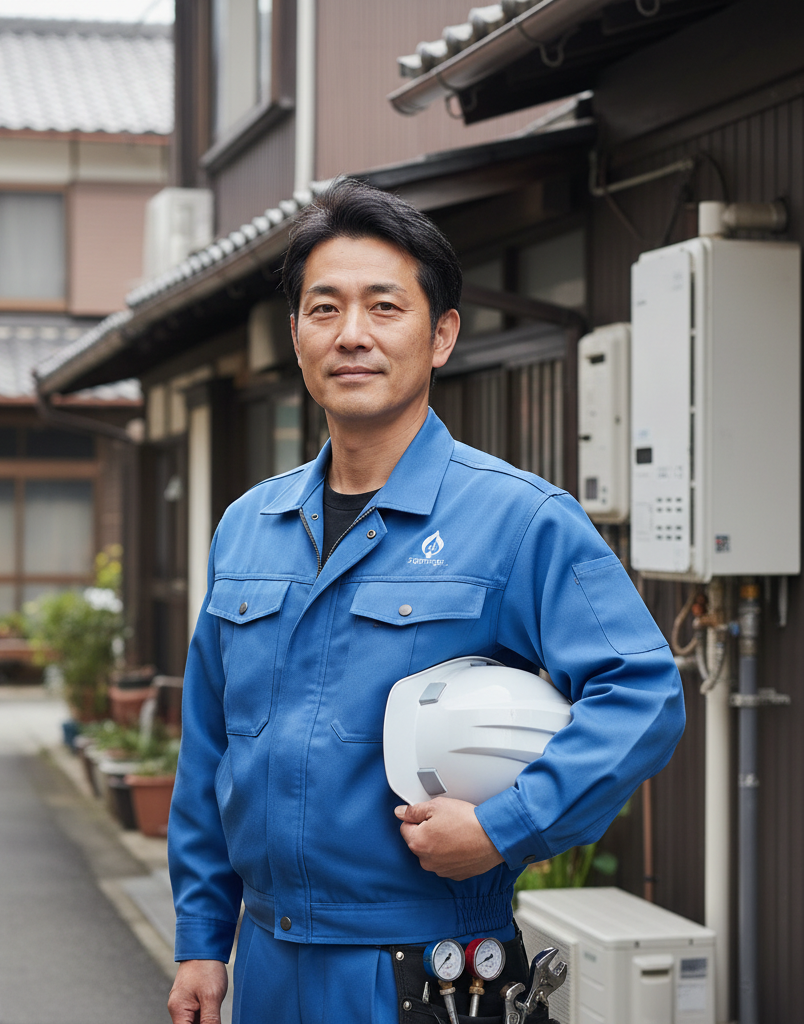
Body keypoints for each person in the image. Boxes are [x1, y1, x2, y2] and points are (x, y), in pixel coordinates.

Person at [166, 178, 685, 1024]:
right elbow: (209, 746)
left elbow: (643, 694)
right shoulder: (247, 526)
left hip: (426, 967)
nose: (353, 335)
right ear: (296, 333)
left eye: (384, 307)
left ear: (441, 334)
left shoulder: (518, 519)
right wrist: (200, 937)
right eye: (324, 309)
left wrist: (506, 826)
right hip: (265, 961)